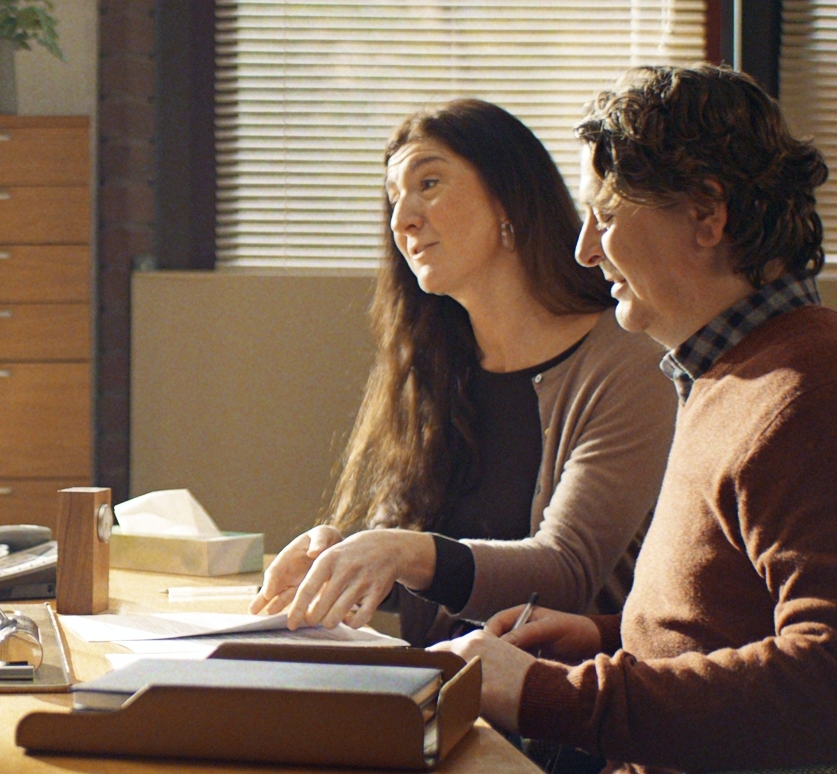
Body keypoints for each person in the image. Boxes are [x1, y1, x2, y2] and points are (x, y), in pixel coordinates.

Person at [431, 64, 837, 772]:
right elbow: (735, 626)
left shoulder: (823, 392)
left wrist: (552, 695)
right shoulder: (733, 374)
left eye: (605, 214)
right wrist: (603, 640)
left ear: (707, 212)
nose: (585, 250)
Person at [252, 99, 677, 647]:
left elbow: (566, 572)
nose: (403, 219)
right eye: (393, 199)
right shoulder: (434, 366)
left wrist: (398, 550)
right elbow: (434, 572)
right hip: (439, 693)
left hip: (556, 712)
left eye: (429, 183)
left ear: (509, 196)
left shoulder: (628, 360)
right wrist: (344, 558)